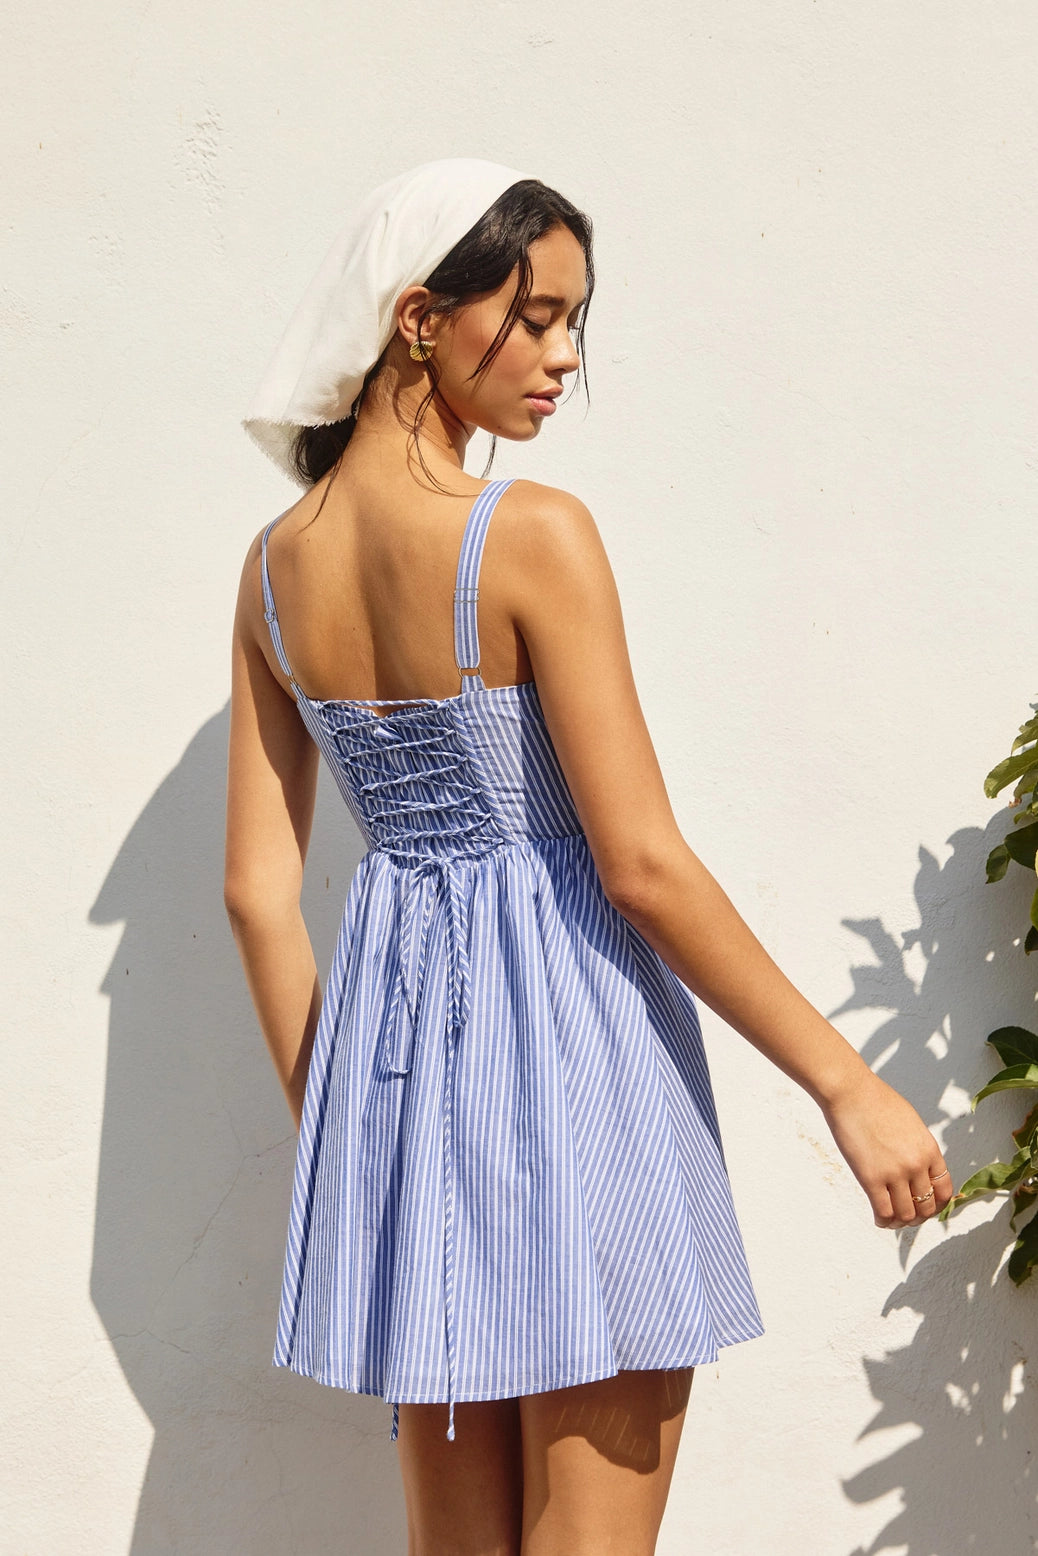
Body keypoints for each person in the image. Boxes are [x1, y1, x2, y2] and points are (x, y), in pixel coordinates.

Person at [225, 158, 953, 1556]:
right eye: (539, 316)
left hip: (400, 1102)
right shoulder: (529, 535)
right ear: (420, 318)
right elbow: (639, 867)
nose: (566, 357)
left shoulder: (270, 570)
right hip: (579, 1062)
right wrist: (845, 1083)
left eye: (575, 322)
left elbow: (259, 896)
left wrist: (347, 1140)